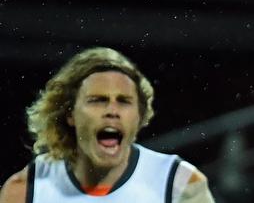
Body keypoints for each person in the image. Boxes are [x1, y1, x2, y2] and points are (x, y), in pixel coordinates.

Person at [0, 47, 215, 203]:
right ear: (69, 114)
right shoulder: (26, 190)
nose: (112, 111)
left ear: (139, 116)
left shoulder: (181, 184)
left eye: (124, 101)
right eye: (98, 100)